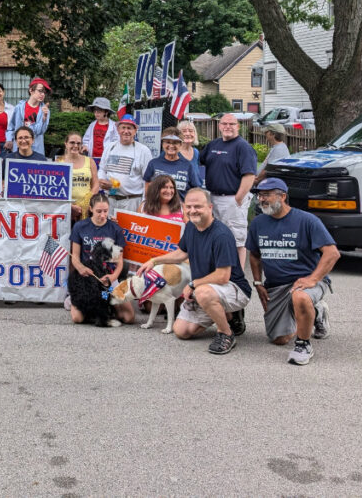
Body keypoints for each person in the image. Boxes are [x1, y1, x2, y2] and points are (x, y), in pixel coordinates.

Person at [138, 188, 252, 355]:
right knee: (182, 331)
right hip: (205, 288)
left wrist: (193, 284)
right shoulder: (191, 226)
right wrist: (154, 260)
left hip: (233, 287)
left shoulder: (221, 235)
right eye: (189, 206)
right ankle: (227, 315)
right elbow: (181, 253)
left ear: (210, 207)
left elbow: (223, 275)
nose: (192, 211)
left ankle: (226, 333)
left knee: (203, 294)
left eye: (198, 206)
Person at [246, 177, 339, 365]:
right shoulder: (258, 223)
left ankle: (304, 345)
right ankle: (313, 313)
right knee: (278, 339)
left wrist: (313, 279)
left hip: (305, 281)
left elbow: (332, 253)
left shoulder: (307, 220)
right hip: (276, 286)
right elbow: (254, 255)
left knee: (301, 296)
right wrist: (257, 283)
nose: (261, 200)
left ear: (283, 196)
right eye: (259, 196)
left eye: (266, 195)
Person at [201, 113, 259, 266]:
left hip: (232, 199)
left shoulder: (243, 147)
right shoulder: (213, 145)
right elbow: (198, 161)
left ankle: (237, 278)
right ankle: (218, 271)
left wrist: (237, 199)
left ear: (238, 127)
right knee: (216, 238)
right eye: (224, 124)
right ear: (219, 126)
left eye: (232, 124)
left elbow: (249, 176)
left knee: (237, 241)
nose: (228, 127)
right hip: (212, 198)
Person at [67, 194, 133, 324]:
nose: (102, 215)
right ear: (91, 209)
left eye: (105, 211)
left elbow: (119, 262)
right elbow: (74, 256)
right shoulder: (80, 226)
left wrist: (112, 278)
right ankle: (79, 302)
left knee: (128, 317)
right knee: (77, 318)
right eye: (98, 211)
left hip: (108, 278)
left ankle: (107, 305)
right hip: (87, 279)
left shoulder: (115, 228)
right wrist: (81, 268)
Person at [97, 115, 152, 217]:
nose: (126, 131)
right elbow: (102, 169)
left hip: (131, 201)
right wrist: (101, 180)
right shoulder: (110, 147)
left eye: (129, 128)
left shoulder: (143, 151)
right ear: (118, 129)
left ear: (135, 131)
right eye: (123, 127)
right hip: (111, 198)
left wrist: (145, 203)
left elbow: (148, 180)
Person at [143, 128, 202, 199]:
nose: (171, 146)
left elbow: (195, 189)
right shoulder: (153, 163)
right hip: (157, 208)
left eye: (175, 142)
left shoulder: (188, 166)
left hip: (179, 208)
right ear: (162, 144)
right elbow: (147, 185)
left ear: (181, 144)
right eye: (167, 142)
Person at [5, 78, 51, 157]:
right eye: (40, 91)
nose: (43, 94)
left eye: (44, 92)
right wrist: (9, 139)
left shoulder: (45, 110)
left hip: (36, 149)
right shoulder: (19, 107)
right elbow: (11, 127)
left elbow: (39, 131)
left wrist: (44, 118)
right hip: (19, 149)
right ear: (31, 90)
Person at [58, 132, 98, 221]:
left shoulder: (90, 161)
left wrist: (87, 202)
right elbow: (55, 189)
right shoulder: (58, 162)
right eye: (72, 142)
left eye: (78, 143)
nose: (75, 146)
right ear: (66, 144)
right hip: (65, 209)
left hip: (87, 209)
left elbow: (95, 184)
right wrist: (70, 207)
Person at [82, 96, 118, 167]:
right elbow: (86, 139)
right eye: (95, 111)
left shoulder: (114, 126)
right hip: (93, 158)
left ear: (106, 112)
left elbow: (117, 141)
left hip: (107, 159)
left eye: (99, 111)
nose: (96, 113)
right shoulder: (92, 125)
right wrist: (85, 146)